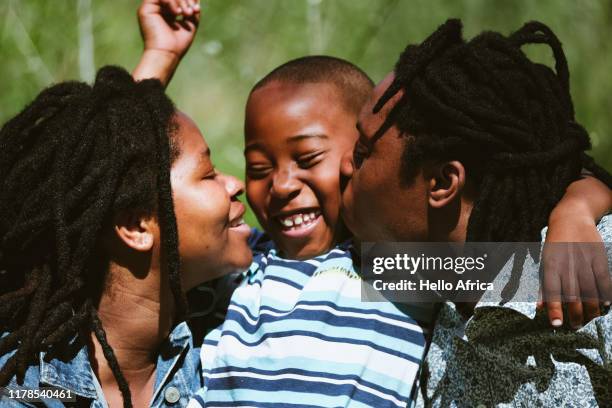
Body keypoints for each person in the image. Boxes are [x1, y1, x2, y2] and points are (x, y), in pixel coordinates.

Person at [339, 19, 612, 406]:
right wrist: (580, 200)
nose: (344, 166)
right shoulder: (413, 272)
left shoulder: (589, 260)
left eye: (363, 153)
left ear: (442, 183)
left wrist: (579, 209)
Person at [0, 65, 252, 407]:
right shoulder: (19, 388)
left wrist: (162, 56)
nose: (236, 184)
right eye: (208, 174)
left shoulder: (237, 317)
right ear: (135, 228)